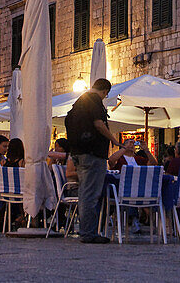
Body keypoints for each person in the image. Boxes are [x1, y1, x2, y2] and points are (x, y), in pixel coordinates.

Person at [65, 78, 125, 244]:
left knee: (85, 192)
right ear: (105, 91)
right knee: (90, 193)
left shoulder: (79, 102)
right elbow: (98, 123)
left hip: (79, 152)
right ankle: (88, 232)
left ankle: (87, 230)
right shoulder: (94, 101)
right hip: (92, 153)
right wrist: (113, 139)